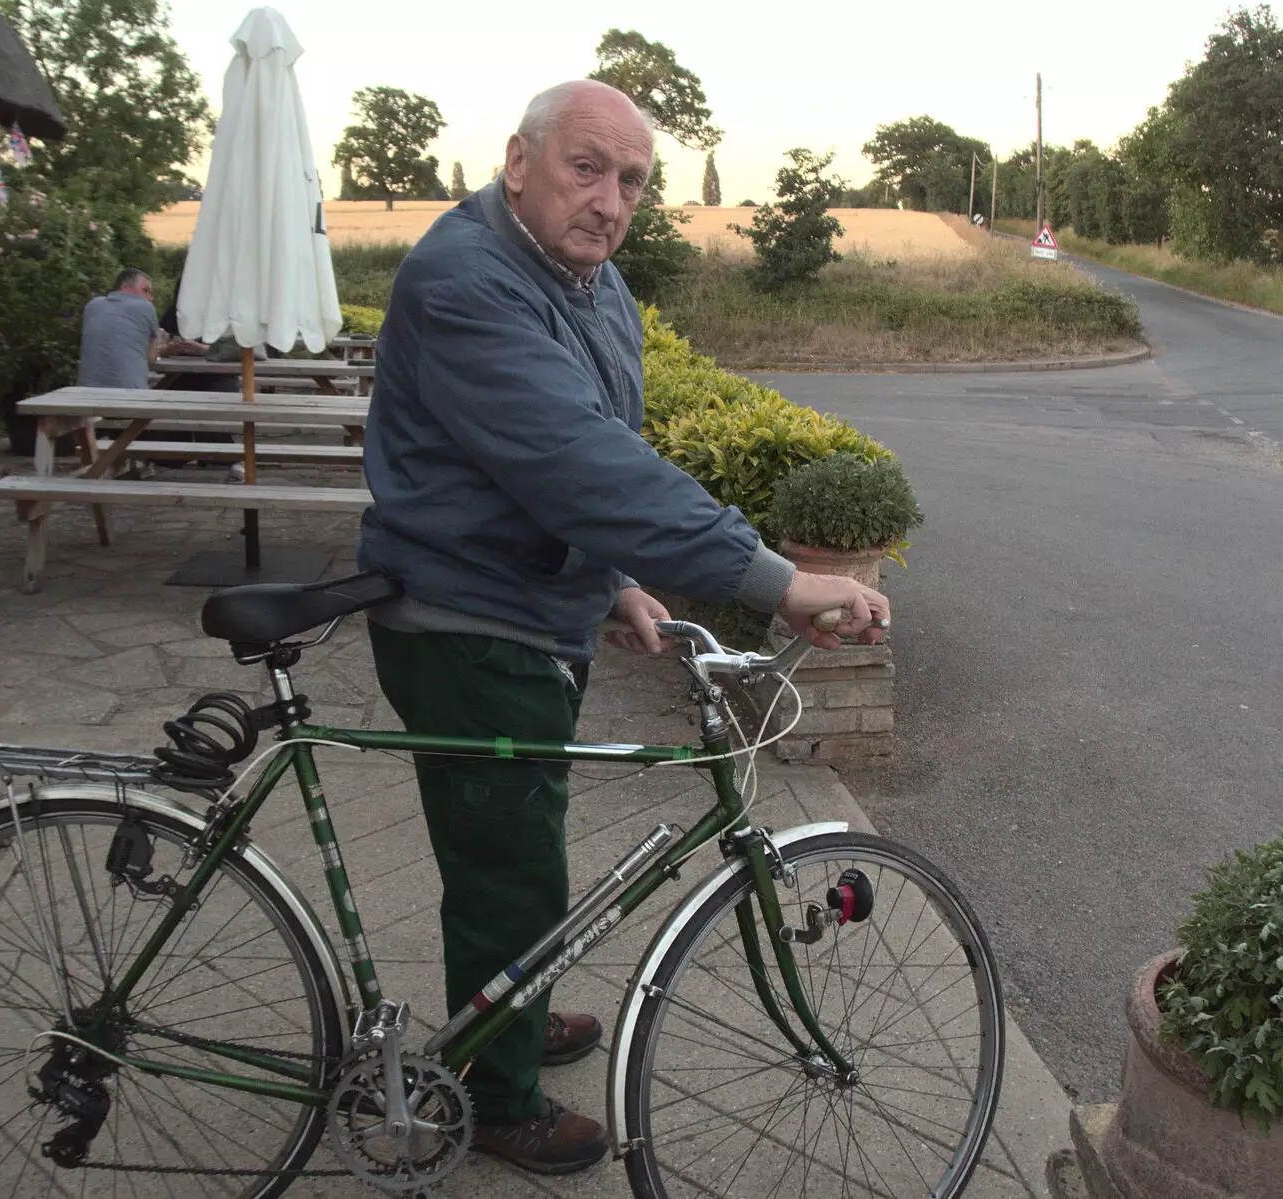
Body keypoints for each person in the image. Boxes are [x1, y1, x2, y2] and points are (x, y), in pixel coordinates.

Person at [356, 79, 889, 1176]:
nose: (609, 200)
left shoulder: (588, 281)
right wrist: (773, 578)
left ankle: (504, 1000)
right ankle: (492, 1093)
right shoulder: (465, 279)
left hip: (526, 606)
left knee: (523, 847)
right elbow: (573, 460)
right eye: (585, 168)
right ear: (517, 162)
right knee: (510, 865)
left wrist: (613, 583)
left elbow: (567, 457)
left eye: (633, 182)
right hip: (466, 619)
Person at [78, 268, 201, 389]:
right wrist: (167, 349)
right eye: (145, 291)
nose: (149, 298)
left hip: (86, 389)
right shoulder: (145, 307)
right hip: (129, 392)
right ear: (124, 286)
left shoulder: (92, 305)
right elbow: (151, 358)